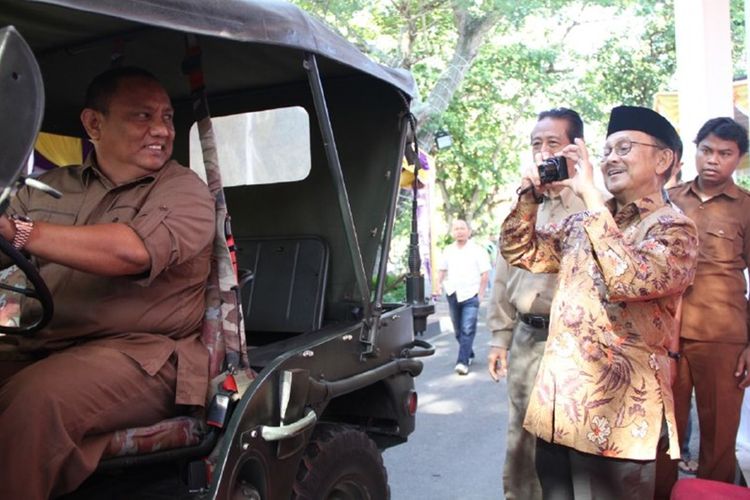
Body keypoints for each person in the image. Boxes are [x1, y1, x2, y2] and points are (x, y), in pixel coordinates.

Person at [0, 66, 215, 499]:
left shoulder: (184, 190)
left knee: (38, 403)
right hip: (43, 343)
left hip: (144, 355)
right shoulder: (48, 188)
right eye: (142, 116)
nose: (161, 130)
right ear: (94, 124)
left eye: (167, 117)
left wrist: (20, 233)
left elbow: (130, 251)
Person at [500, 105, 698, 498]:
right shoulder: (582, 222)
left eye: (624, 148)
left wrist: (590, 194)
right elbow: (519, 249)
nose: (609, 159)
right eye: (606, 151)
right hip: (559, 408)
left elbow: (628, 278)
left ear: (664, 160)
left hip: (618, 421)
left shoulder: (675, 228)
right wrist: (530, 195)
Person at [487, 107, 587, 500]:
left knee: (571, 436)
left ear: (575, 148)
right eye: (536, 144)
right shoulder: (524, 204)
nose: (542, 152)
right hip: (528, 339)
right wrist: (499, 337)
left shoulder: (593, 201)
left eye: (553, 143)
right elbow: (503, 274)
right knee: (522, 436)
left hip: (575, 343)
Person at [657, 117, 750, 493]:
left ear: (739, 159)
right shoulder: (669, 199)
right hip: (668, 340)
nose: (713, 160)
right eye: (706, 150)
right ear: (694, 151)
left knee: (719, 440)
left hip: (724, 339)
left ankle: (713, 495)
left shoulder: (746, 208)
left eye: (725, 154)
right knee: (664, 436)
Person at [436, 219, 490, 375]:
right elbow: (442, 270)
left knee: (467, 328)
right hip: (453, 293)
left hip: (470, 295)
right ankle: (469, 352)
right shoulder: (448, 250)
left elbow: (485, 274)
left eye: (462, 228)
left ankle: (462, 362)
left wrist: (480, 295)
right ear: (452, 232)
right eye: (456, 228)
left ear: (469, 231)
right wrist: (438, 285)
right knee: (458, 330)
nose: (459, 231)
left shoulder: (477, 250)